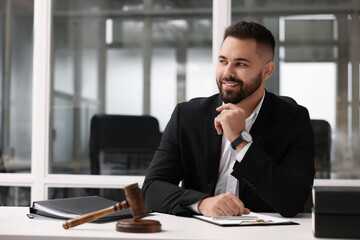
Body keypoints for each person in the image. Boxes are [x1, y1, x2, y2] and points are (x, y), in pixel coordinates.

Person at [142, 21, 315, 218]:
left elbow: (293, 201)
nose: (227, 73)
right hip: (199, 233)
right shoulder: (187, 116)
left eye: (240, 64)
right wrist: (202, 204)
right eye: (223, 61)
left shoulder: (293, 119)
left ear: (267, 71)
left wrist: (241, 141)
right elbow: (152, 189)